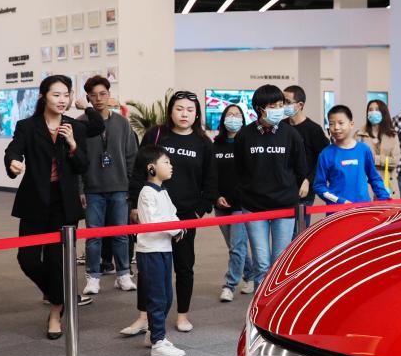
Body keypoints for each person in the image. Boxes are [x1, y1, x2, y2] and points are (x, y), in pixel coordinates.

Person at [4, 75, 104, 338]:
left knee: (56, 260)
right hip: (34, 200)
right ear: (43, 96)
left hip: (63, 203)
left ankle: (56, 312)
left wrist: (72, 144)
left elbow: (82, 165)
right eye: (56, 94)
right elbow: (13, 150)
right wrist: (13, 163)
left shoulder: (75, 127)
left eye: (66, 95)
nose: (62, 100)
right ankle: (58, 294)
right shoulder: (27, 126)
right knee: (27, 260)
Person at [123, 91, 216, 337]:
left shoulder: (204, 142)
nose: (184, 114)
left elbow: (210, 181)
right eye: (179, 108)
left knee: (184, 267)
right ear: (170, 111)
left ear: (197, 114)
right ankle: (143, 316)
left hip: (185, 215)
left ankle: (182, 315)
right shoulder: (156, 135)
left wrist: (199, 211)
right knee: (148, 268)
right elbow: (139, 171)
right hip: (152, 214)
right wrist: (135, 205)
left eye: (190, 110)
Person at [234, 84, 309, 283]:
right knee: (261, 262)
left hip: (284, 206)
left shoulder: (291, 135)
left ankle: (276, 301)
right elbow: (239, 170)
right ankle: (260, 302)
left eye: (280, 105)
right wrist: (245, 194)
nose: (278, 110)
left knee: (279, 262)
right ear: (259, 109)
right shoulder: (244, 136)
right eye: (272, 106)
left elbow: (301, 168)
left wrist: (299, 186)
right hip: (253, 207)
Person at [80, 76, 138, 296]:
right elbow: (76, 159)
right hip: (93, 189)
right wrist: (80, 189)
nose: (98, 99)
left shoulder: (122, 123)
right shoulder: (81, 123)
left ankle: (123, 274)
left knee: (121, 234)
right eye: (93, 95)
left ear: (109, 95)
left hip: (120, 188)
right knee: (94, 236)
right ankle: (93, 277)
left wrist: (131, 188)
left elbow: (131, 156)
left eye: (102, 94)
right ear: (88, 98)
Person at [133, 144, 186, 356]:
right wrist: (176, 229)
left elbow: (172, 215)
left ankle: (153, 333)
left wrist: (179, 228)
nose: (171, 166)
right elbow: (154, 222)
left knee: (166, 296)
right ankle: (158, 343)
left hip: (164, 249)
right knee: (157, 297)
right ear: (151, 168)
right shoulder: (147, 192)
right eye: (166, 162)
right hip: (150, 252)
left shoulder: (162, 191)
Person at [213, 103, 259, 303]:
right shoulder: (216, 145)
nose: (233, 118)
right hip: (220, 204)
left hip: (241, 204)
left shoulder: (248, 143)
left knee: (237, 246)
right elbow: (211, 175)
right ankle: (250, 275)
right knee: (234, 247)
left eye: (237, 114)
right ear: (223, 119)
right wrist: (216, 196)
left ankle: (229, 285)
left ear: (243, 119)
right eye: (229, 114)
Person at [314, 105, 390, 205]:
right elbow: (319, 186)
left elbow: (374, 178)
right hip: (337, 210)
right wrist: (340, 201)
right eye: (331, 124)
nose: (336, 127)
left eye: (341, 123)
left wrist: (385, 199)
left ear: (351, 124)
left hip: (363, 208)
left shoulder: (363, 149)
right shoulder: (325, 154)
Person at [284, 85, 329, 206]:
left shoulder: (314, 129)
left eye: (287, 102)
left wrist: (309, 180)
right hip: (283, 190)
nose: (283, 105)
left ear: (300, 105)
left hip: (303, 191)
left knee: (301, 219)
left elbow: (322, 159)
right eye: (282, 101)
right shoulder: (281, 127)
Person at [356, 98, 401, 196]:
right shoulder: (359, 135)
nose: (373, 112)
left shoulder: (392, 135)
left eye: (377, 109)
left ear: (383, 112)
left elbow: (395, 161)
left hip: (388, 183)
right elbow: (357, 159)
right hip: (367, 183)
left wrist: (373, 159)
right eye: (370, 110)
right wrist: (384, 160)